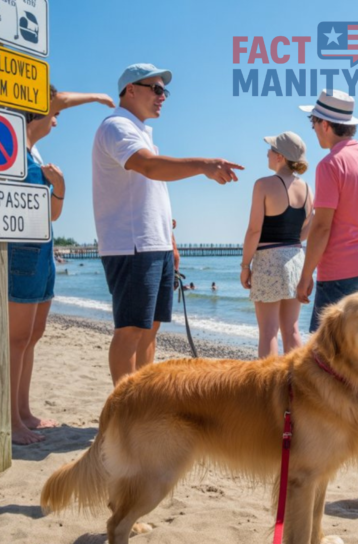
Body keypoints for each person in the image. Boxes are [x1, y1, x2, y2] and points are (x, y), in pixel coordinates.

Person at [92, 63, 243, 385]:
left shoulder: (140, 131)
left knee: (150, 328)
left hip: (154, 245)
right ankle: (124, 410)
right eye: (156, 89)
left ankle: (143, 403)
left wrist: (171, 244)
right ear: (130, 90)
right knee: (131, 329)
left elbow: (152, 194)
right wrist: (203, 164)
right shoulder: (117, 126)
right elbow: (148, 167)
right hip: (132, 245)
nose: (163, 96)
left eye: (165, 91)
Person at [8, 85, 113, 445]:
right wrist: (98, 97)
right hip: (20, 252)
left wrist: (61, 186)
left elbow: (52, 213)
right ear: (37, 108)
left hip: (42, 251)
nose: (58, 118)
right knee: (17, 339)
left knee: (32, 337)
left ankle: (23, 412)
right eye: (55, 112)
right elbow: (58, 98)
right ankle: (10, 420)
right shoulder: (11, 151)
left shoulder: (35, 154)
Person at [294, 90, 358, 332]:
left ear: (325, 124)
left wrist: (306, 275)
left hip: (341, 269)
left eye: (313, 121)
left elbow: (321, 226)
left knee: (326, 347)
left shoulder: (330, 164)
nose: (313, 128)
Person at [241, 132, 314, 358]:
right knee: (291, 329)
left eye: (271, 150)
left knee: (268, 331)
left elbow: (254, 230)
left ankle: (268, 388)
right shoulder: (306, 188)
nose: (267, 153)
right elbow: (307, 229)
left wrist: (245, 265)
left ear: (280, 156)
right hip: (295, 260)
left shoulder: (263, 184)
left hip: (268, 260)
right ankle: (298, 384)